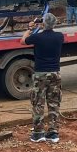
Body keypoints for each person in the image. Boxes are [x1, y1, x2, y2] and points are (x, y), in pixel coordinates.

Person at [20, 12, 64, 143]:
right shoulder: (59, 36)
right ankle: (53, 132)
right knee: (54, 103)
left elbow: (22, 41)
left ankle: (39, 133)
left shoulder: (37, 37)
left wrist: (30, 28)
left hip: (40, 74)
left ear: (43, 23)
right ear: (54, 24)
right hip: (55, 73)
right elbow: (52, 32)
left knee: (38, 103)